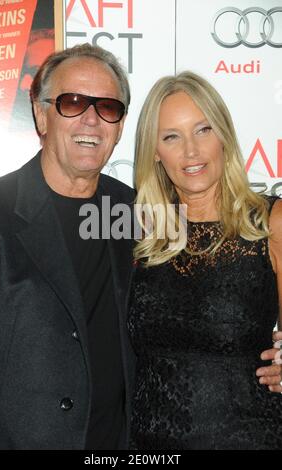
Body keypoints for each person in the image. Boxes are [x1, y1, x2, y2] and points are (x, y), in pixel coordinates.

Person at [0, 43, 136, 450]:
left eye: (108, 107)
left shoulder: (136, 210)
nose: (91, 120)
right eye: (72, 102)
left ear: (120, 127)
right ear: (40, 113)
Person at [128, 71, 282, 450]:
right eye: (171, 137)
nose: (191, 151)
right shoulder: (137, 230)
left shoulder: (270, 222)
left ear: (224, 136)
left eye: (203, 130)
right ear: (154, 151)